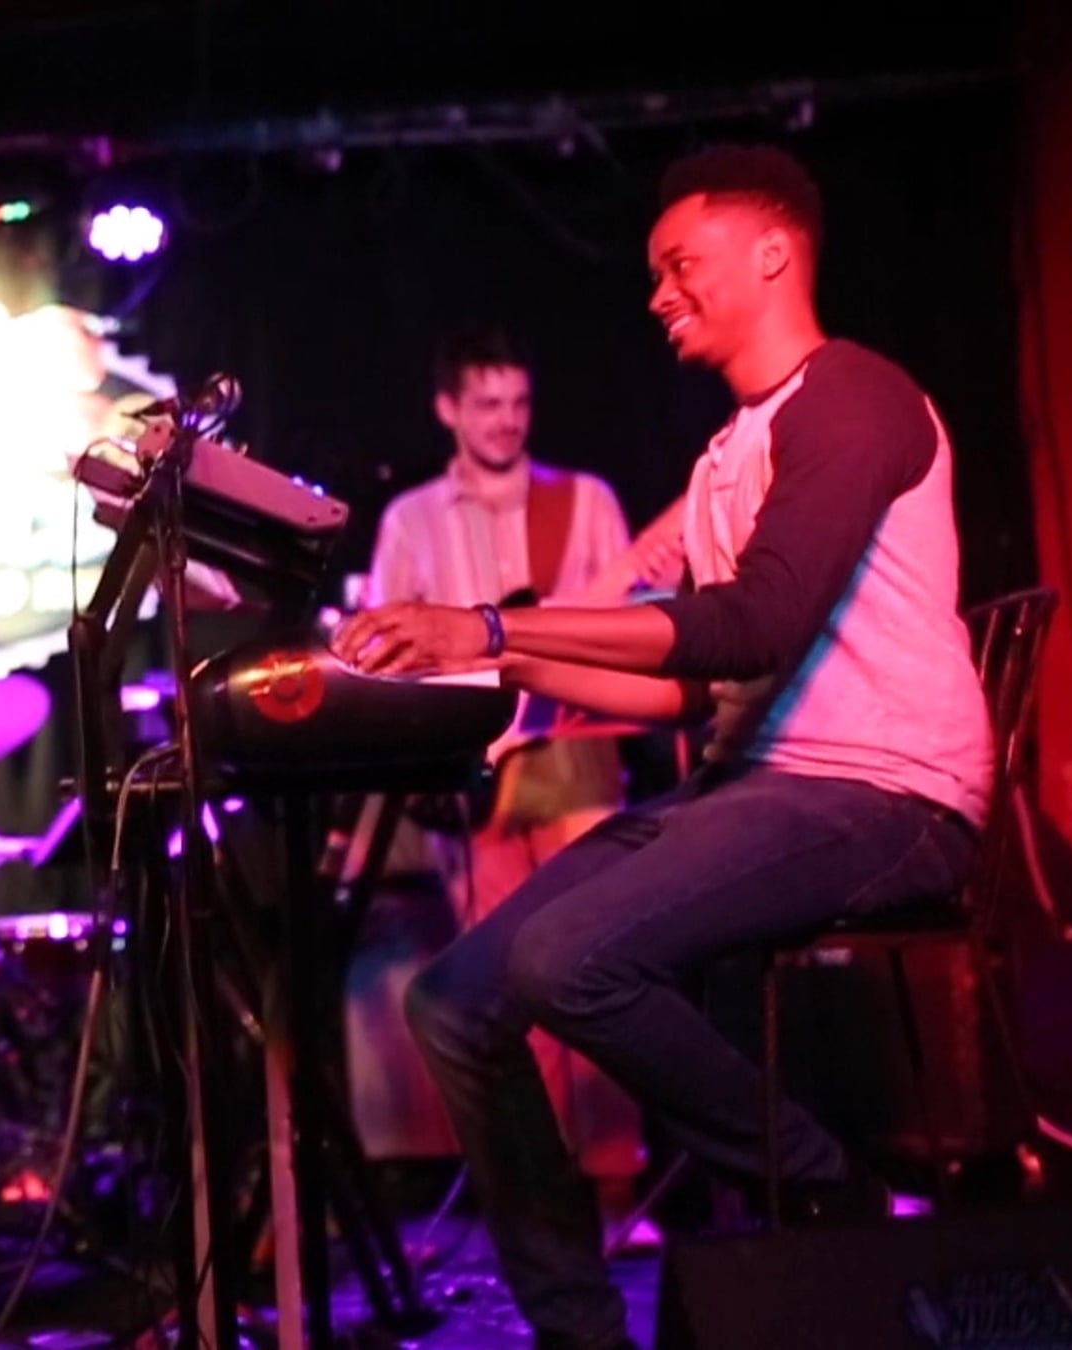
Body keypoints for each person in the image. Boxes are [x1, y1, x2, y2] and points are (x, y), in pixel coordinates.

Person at [333, 144, 993, 1350]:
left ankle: (828, 1191)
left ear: (774, 252)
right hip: (760, 789)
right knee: (453, 1001)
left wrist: (494, 625)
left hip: (885, 795)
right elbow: (692, 691)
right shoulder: (727, 455)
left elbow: (754, 625)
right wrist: (496, 666)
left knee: (567, 959)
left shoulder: (853, 395)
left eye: (680, 264)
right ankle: (582, 1334)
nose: (657, 294)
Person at [363, 325, 649, 1218]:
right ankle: (538, 1192)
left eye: (519, 402)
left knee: (596, 963)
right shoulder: (409, 521)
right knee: (505, 983)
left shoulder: (585, 501)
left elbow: (633, 624)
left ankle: (615, 1189)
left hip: (577, 755)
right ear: (447, 408)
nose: (506, 421)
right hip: (476, 775)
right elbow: (381, 646)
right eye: (487, 404)